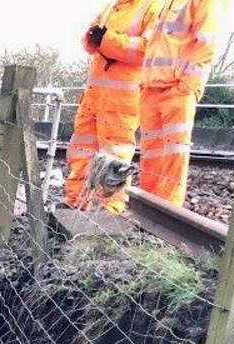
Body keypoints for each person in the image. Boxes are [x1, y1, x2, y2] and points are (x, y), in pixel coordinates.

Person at [64, 0, 161, 213]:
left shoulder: (153, 6)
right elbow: (90, 38)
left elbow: (149, 49)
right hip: (94, 96)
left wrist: (107, 39)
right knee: (82, 150)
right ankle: (74, 202)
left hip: (122, 99)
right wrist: (93, 39)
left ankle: (108, 209)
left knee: (115, 155)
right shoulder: (112, 6)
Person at [137, 0, 224, 206]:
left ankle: (167, 213)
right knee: (151, 157)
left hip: (176, 90)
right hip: (152, 90)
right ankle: (148, 213)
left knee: (172, 159)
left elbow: (207, 44)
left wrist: (186, 86)